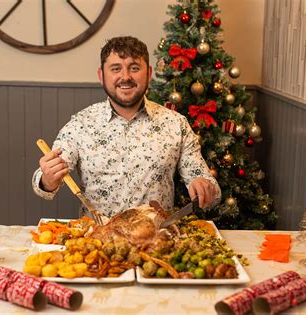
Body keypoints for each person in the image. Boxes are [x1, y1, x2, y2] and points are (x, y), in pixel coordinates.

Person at [32, 36, 221, 218]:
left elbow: (207, 185)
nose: (125, 77)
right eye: (116, 68)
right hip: (97, 243)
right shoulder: (81, 124)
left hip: (156, 242)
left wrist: (204, 187)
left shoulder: (176, 124)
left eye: (134, 68)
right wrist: (48, 179)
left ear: (148, 73)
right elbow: (42, 185)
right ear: (101, 75)